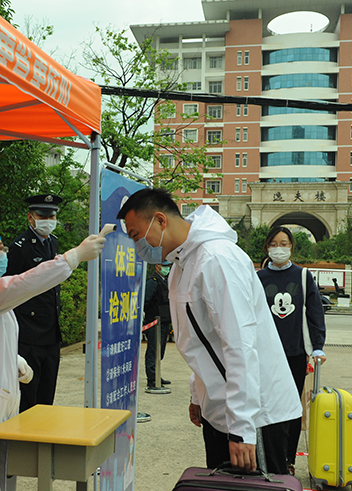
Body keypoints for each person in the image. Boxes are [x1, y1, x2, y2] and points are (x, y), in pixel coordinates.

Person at [116, 188, 301, 474]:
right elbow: (201, 341)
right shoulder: (181, 265)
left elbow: (239, 345)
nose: (137, 245)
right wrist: (198, 395)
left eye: (136, 235)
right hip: (222, 407)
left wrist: (242, 428)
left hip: (255, 415)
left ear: (160, 220)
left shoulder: (217, 259)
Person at [0, 225, 105, 491]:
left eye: (2, 247)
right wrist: (72, 257)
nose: (1, 254)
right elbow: (23, 284)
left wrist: (12, 360)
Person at [256, 227, 327, 475]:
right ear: (267, 247)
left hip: (295, 353)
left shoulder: (303, 276)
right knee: (267, 405)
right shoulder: (258, 278)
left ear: (291, 247)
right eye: (274, 243)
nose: (279, 248)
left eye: (284, 243)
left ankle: (288, 459)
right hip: (265, 354)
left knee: (292, 407)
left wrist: (317, 347)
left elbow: (315, 313)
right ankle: (267, 456)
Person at [5, 194, 65, 412]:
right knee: (28, 396)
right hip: (29, 333)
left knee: (47, 394)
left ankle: (44, 432)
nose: (48, 220)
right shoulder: (19, 247)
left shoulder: (53, 242)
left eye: (52, 216)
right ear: (30, 218)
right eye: (42, 216)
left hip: (51, 332)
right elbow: (8, 289)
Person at [143, 263, 171, 389]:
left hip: (163, 322)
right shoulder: (153, 282)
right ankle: (152, 380)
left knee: (160, 351)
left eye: (168, 265)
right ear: (157, 266)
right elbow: (145, 301)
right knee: (153, 351)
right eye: (164, 266)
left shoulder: (165, 281)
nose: (167, 268)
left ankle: (157, 375)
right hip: (154, 323)